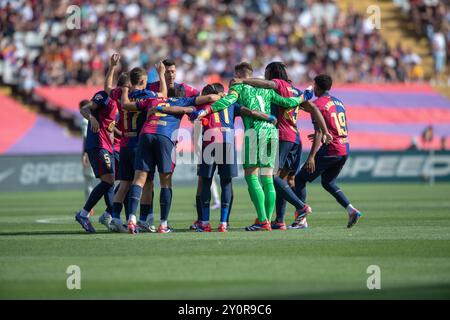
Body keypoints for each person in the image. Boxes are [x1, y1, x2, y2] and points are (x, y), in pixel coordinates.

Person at [197, 62, 332, 231]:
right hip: (272, 132)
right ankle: (267, 219)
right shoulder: (267, 90)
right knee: (268, 178)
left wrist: (205, 111)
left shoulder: (239, 87)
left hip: (255, 132)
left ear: (239, 73)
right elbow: (287, 102)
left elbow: (227, 102)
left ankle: (262, 221)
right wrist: (303, 98)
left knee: (252, 177)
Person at [120, 88, 224, 233]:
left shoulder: (152, 100)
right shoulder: (183, 101)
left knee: (139, 179)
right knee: (165, 182)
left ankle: (131, 219)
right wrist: (221, 95)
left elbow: (125, 105)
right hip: (165, 136)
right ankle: (163, 225)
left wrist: (125, 88)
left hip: (146, 134)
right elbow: (209, 98)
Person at [191, 82, 279, 232]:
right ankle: (224, 223)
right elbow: (248, 111)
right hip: (228, 141)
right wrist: (268, 117)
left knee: (205, 182)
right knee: (226, 183)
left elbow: (194, 119)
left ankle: (204, 223)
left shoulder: (203, 104)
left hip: (209, 141)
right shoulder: (231, 103)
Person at [106, 56, 167, 233]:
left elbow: (107, 88)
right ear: (142, 81)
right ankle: (141, 219)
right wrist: (161, 75)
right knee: (146, 182)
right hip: (140, 145)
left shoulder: (121, 94)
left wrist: (111, 68)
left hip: (124, 144)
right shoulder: (146, 95)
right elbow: (163, 95)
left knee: (124, 182)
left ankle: (115, 218)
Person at [293, 74, 362, 229]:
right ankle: (351, 210)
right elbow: (342, 128)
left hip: (332, 148)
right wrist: (325, 134)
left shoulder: (317, 104)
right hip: (344, 147)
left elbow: (318, 132)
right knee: (328, 182)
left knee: (299, 179)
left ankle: (301, 220)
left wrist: (311, 157)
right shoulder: (339, 102)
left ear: (316, 86)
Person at [75, 91, 118, 233]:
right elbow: (84, 109)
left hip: (107, 147)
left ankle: (108, 215)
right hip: (99, 146)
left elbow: (110, 127)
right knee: (109, 181)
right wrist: (92, 118)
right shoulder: (104, 98)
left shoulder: (115, 105)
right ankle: (84, 214)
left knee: (112, 181)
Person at [79, 100, 98, 217]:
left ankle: (89, 207)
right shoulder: (93, 118)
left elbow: (86, 138)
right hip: (96, 149)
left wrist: (85, 154)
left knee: (89, 181)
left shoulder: (85, 121)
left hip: (90, 151)